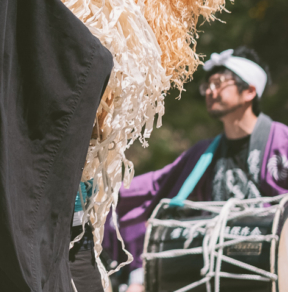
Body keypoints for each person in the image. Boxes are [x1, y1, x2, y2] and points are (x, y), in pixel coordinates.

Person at [110, 46, 288, 292]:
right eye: (208, 85)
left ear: (249, 91)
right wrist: (102, 192)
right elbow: (154, 187)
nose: (210, 91)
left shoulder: (282, 140)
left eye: (219, 83)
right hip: (221, 273)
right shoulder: (203, 153)